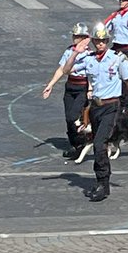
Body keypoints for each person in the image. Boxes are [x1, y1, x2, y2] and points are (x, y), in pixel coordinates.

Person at [61, 24, 128, 202]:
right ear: (94, 41)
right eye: (98, 40)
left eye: (104, 40)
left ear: (107, 41)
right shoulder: (88, 59)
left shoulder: (117, 58)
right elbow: (66, 70)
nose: (101, 43)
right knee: (98, 143)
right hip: (95, 106)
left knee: (99, 142)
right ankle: (100, 180)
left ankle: (104, 183)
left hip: (111, 106)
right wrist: (75, 53)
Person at [40, 23, 94, 159]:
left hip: (82, 87)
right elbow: (61, 70)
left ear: (84, 38)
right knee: (68, 118)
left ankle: (82, 141)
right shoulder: (69, 51)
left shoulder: (89, 54)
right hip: (70, 86)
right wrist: (50, 84)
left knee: (73, 116)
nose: (74, 39)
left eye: (77, 36)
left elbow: (92, 74)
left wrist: (90, 88)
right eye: (74, 36)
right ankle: (76, 145)